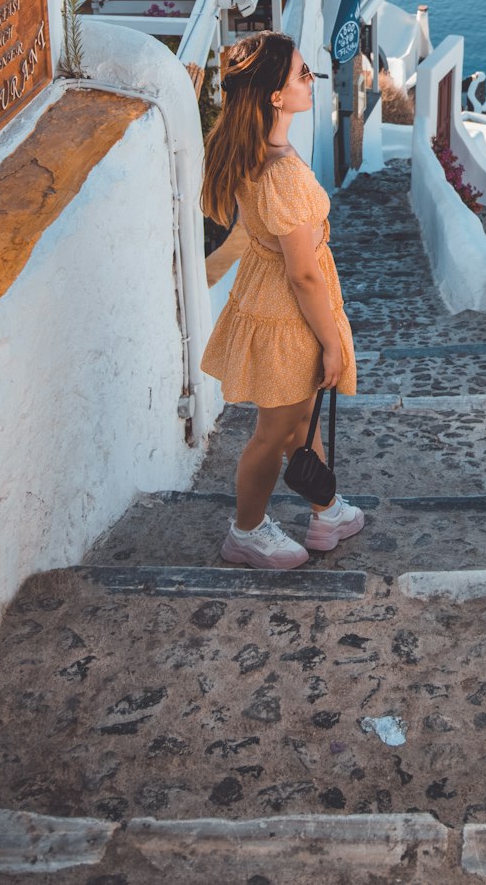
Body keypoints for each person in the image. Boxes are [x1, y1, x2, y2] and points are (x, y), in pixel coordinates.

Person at [199, 30, 363, 569]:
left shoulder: (255, 149)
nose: (311, 80)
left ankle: (327, 509)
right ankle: (245, 532)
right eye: (301, 74)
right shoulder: (283, 174)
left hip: (266, 295)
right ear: (274, 95)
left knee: (301, 421)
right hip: (288, 313)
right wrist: (332, 343)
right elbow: (305, 277)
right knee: (274, 434)